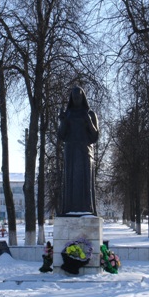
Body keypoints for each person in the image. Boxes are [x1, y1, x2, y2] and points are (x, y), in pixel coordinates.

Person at [58, 86, 99, 216]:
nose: (76, 99)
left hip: (85, 151)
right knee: (71, 180)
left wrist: (88, 121)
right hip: (70, 151)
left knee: (85, 181)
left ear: (83, 97)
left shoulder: (90, 114)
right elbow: (61, 136)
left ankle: (87, 208)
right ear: (71, 98)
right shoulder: (68, 114)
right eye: (74, 97)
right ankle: (69, 208)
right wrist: (63, 122)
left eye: (78, 96)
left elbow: (95, 136)